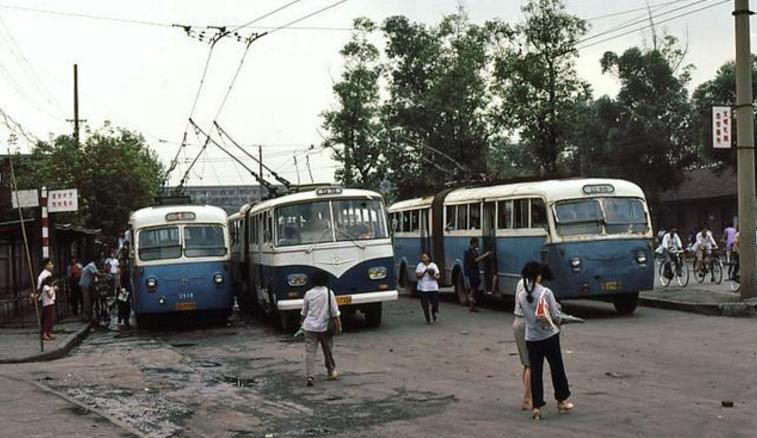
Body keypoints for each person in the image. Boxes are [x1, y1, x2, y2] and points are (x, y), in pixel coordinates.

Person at [516, 261, 574, 420]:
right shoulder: (546, 292)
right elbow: (555, 316)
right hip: (549, 336)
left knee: (536, 372)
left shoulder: (522, 296)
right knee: (557, 368)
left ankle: (537, 407)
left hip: (531, 338)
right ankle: (562, 401)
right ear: (538, 275)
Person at [301, 270, 341, 387]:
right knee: (328, 350)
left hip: (310, 327)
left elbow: (304, 311)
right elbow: (334, 312)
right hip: (325, 327)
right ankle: (331, 371)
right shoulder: (329, 293)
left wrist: (302, 322)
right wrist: (338, 325)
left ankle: (310, 376)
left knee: (310, 353)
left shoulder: (308, 294)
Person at [512, 278, 532, 411]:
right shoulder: (529, 286)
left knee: (526, 363)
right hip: (526, 324)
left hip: (517, 322)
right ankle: (527, 399)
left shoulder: (520, 282)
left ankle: (529, 395)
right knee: (532, 364)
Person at [463, 238, 492, 313]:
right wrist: (485, 255)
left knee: (474, 287)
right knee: (473, 286)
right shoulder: (469, 251)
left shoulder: (474, 251)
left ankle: (471, 305)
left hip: (474, 271)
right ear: (474, 243)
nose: (478, 244)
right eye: (477, 243)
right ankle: (470, 298)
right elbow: (475, 260)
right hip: (471, 272)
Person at [416, 252, 441, 324]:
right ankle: (428, 319)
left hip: (433, 288)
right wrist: (425, 272)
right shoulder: (419, 266)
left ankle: (433, 311)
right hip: (423, 289)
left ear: (429, 258)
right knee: (425, 305)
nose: (423, 259)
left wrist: (432, 275)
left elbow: (438, 276)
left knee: (435, 303)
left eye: (425, 257)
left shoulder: (433, 265)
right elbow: (418, 276)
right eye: (422, 257)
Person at [79, 257, 101, 321]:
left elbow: (97, 273)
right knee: (87, 300)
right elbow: (96, 274)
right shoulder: (91, 265)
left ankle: (89, 314)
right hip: (85, 285)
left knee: (90, 300)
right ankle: (85, 316)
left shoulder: (93, 266)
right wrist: (106, 275)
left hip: (88, 285)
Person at [116, 244, 132, 328]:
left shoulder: (126, 268)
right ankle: (122, 319)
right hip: (123, 288)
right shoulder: (120, 270)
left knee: (126, 304)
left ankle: (125, 319)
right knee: (123, 304)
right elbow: (118, 280)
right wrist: (121, 288)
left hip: (126, 287)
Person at [40, 276, 58, 341]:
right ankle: (44, 333)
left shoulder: (50, 287)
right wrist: (53, 289)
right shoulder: (46, 287)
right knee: (47, 320)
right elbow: (50, 296)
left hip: (51, 303)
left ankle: (49, 332)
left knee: (51, 319)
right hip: (47, 304)